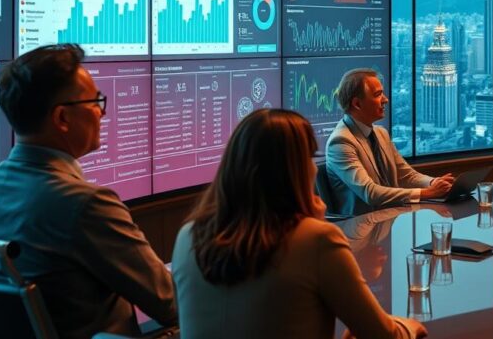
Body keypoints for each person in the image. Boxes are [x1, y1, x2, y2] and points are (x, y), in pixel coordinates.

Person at [0, 44, 176, 339]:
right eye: (94, 102)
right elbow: (170, 304)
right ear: (62, 118)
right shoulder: (84, 204)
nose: (102, 112)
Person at [172, 108, 426, 339]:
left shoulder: (187, 236)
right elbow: (384, 335)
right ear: (293, 171)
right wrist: (409, 327)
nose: (314, 169)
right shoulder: (317, 241)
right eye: (309, 158)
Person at [326, 68, 454, 215]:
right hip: (362, 226)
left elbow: (406, 176)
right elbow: (370, 192)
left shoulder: (381, 133)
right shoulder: (340, 143)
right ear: (357, 104)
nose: (385, 99)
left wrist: (434, 183)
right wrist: (428, 193)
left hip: (390, 220)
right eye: (378, 95)